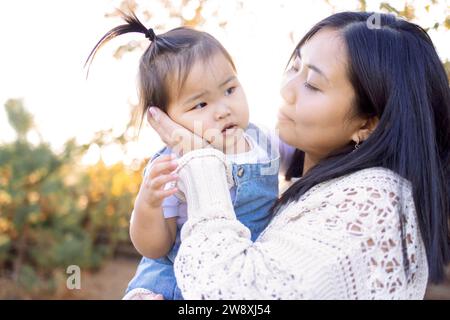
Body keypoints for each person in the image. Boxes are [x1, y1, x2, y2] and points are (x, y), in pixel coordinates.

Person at [147, 11, 450, 299]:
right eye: (295, 67)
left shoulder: (376, 202)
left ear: (367, 123)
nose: (286, 89)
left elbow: (237, 295)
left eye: (312, 84)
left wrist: (198, 157)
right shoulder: (311, 188)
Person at [85, 10, 293, 300]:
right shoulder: (171, 165)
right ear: (165, 120)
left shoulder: (264, 140)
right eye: (200, 105)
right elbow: (155, 247)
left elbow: (307, 154)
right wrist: (148, 203)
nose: (223, 109)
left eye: (230, 89)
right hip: (178, 278)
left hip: (245, 270)